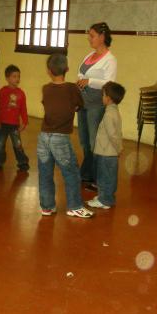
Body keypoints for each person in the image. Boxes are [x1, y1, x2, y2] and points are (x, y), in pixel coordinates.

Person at [37, 53, 94, 219]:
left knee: (45, 172)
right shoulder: (72, 88)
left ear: (49, 71)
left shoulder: (46, 88)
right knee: (71, 172)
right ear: (67, 69)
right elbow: (79, 105)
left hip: (43, 135)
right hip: (60, 137)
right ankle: (75, 206)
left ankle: (47, 207)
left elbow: (48, 104)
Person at [76, 22, 117, 189]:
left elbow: (110, 83)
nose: (89, 38)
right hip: (82, 104)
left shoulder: (110, 59)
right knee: (84, 142)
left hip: (96, 106)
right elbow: (80, 73)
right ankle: (87, 174)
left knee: (94, 142)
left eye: (92, 35)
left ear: (102, 37)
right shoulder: (88, 55)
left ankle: (98, 178)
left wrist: (89, 81)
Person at [86, 82, 125, 209]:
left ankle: (105, 200)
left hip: (106, 153)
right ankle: (106, 197)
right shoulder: (113, 111)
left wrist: (119, 148)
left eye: (103, 95)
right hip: (108, 152)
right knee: (108, 176)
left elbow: (113, 135)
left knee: (104, 177)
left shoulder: (109, 114)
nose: (101, 97)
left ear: (108, 98)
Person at [0, 65, 29, 172]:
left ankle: (23, 163)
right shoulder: (2, 91)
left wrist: (25, 122)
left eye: (18, 76)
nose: (17, 79)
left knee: (17, 145)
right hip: (2, 124)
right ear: (7, 78)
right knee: (0, 145)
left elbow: (23, 109)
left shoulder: (21, 93)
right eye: (14, 76)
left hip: (14, 125)